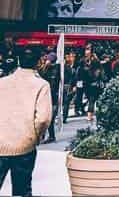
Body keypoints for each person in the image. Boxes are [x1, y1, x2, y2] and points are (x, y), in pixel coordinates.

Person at [0, 49, 52, 197]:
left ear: (18, 61)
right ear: (38, 63)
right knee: (22, 190)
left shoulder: (2, 82)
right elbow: (43, 118)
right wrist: (37, 135)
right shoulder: (41, 85)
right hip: (24, 143)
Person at [37, 54, 59, 144]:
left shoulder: (56, 69)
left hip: (52, 96)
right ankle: (43, 136)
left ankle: (51, 136)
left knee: (50, 118)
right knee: (44, 117)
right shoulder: (45, 69)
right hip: (46, 96)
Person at [63, 51, 82, 122]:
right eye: (70, 56)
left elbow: (76, 77)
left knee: (66, 102)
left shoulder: (76, 66)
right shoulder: (64, 66)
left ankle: (64, 117)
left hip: (70, 86)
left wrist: (75, 86)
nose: (72, 58)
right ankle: (62, 116)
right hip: (65, 86)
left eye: (73, 56)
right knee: (64, 102)